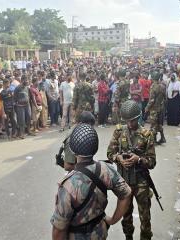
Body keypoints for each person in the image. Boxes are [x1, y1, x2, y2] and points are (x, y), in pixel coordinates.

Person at [51, 124, 132, 240]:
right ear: (96, 147)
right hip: (100, 233)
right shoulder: (106, 169)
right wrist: (113, 220)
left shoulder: (68, 185)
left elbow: (59, 230)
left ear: (73, 151)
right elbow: (126, 194)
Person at [107, 100, 156, 240]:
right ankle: (128, 236)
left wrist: (139, 160)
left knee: (145, 217)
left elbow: (152, 162)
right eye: (127, 121)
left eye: (132, 121)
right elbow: (110, 154)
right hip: (124, 182)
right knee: (126, 216)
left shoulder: (147, 134)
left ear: (138, 118)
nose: (129, 124)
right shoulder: (118, 132)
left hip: (141, 182)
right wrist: (119, 158)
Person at [145, 71, 166, 144]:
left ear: (153, 78)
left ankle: (153, 140)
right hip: (160, 107)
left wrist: (147, 108)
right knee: (158, 123)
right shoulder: (162, 86)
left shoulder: (153, 86)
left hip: (154, 108)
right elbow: (165, 98)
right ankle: (162, 137)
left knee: (153, 124)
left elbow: (151, 100)